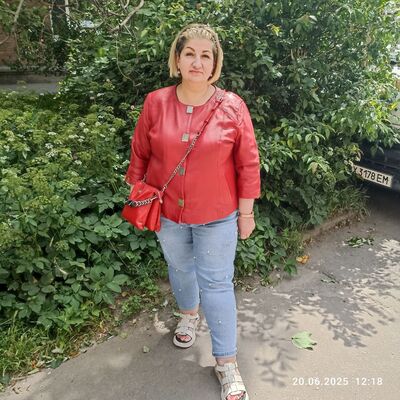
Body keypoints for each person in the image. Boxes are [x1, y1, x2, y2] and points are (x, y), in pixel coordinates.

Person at [125, 23, 260, 400]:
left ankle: (226, 362)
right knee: (180, 267)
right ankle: (188, 314)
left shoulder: (232, 106)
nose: (197, 62)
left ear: (215, 64)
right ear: (178, 59)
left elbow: (248, 163)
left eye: (205, 55)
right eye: (190, 54)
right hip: (167, 213)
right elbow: (140, 153)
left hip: (217, 215)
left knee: (217, 283)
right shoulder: (155, 102)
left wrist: (246, 214)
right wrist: (138, 192)